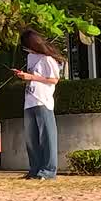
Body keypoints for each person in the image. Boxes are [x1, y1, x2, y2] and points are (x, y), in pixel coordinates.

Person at [13, 29, 64, 180]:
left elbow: (53, 79)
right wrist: (25, 76)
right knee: (31, 138)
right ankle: (35, 169)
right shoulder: (31, 57)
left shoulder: (47, 59)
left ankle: (48, 171)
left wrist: (31, 76)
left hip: (43, 100)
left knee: (47, 137)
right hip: (29, 101)